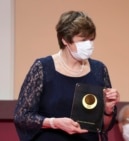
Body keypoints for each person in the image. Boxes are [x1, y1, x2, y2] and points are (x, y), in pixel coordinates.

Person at [13, 10, 120, 141]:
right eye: (83, 40)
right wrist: (54, 123)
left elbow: (103, 127)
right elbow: (22, 116)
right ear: (65, 40)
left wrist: (108, 110)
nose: (89, 45)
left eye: (91, 39)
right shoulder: (43, 68)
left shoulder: (99, 69)